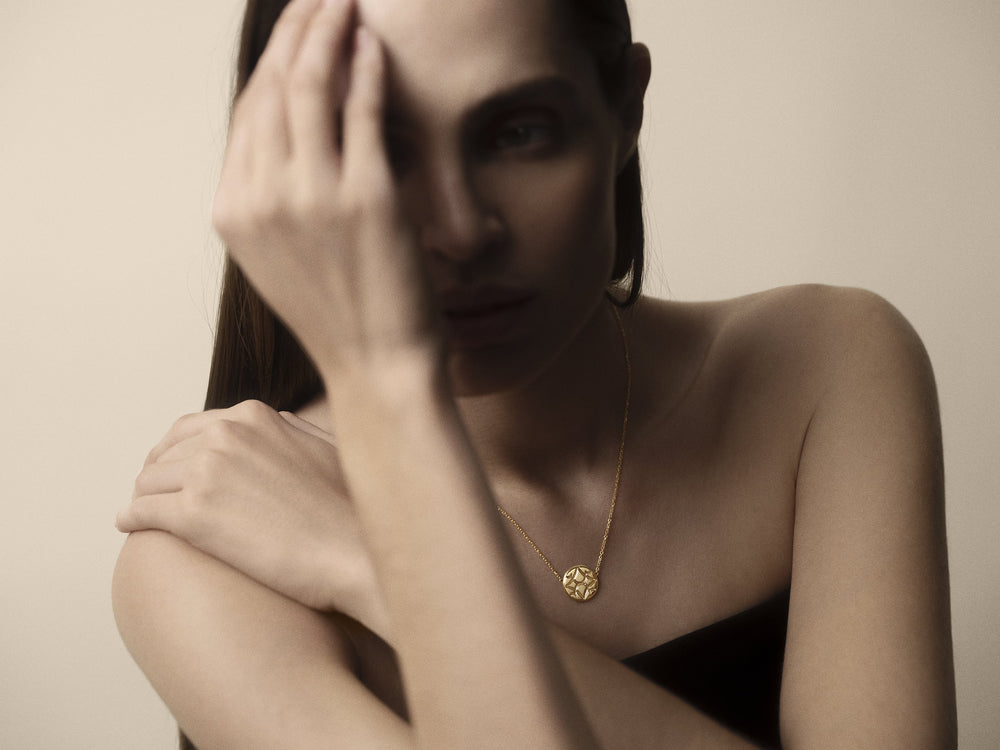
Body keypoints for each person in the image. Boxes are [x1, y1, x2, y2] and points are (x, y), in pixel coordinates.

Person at [111, 0, 957, 747]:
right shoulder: (210, 551)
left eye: (518, 132)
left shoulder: (824, 366)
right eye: (378, 146)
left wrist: (371, 568)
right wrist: (387, 390)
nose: (459, 230)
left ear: (624, 107)